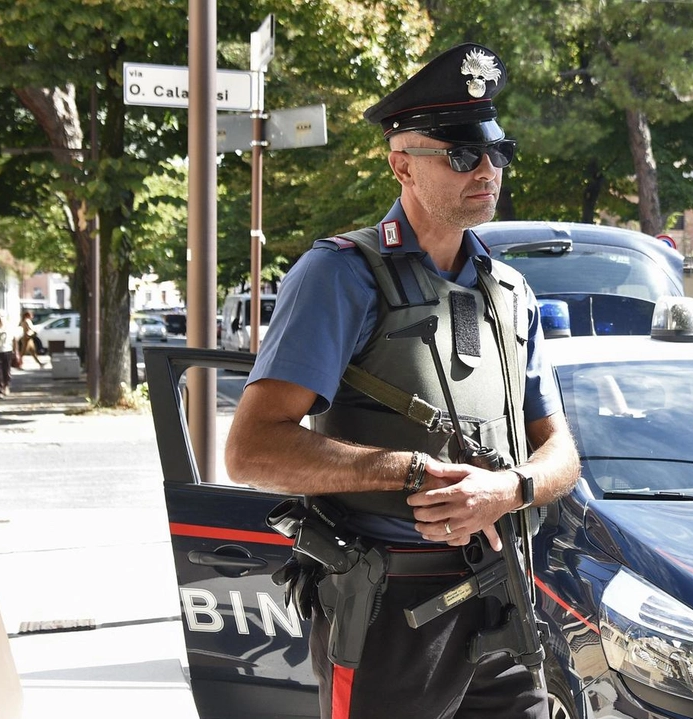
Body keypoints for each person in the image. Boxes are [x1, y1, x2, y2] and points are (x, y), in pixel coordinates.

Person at [225, 43, 580, 719]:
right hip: (389, 610)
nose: (486, 170)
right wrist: (412, 471)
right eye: (460, 154)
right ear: (401, 165)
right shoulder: (339, 275)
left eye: (495, 153)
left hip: (501, 597)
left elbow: (561, 451)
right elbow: (251, 450)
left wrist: (507, 488)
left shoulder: (511, 291)